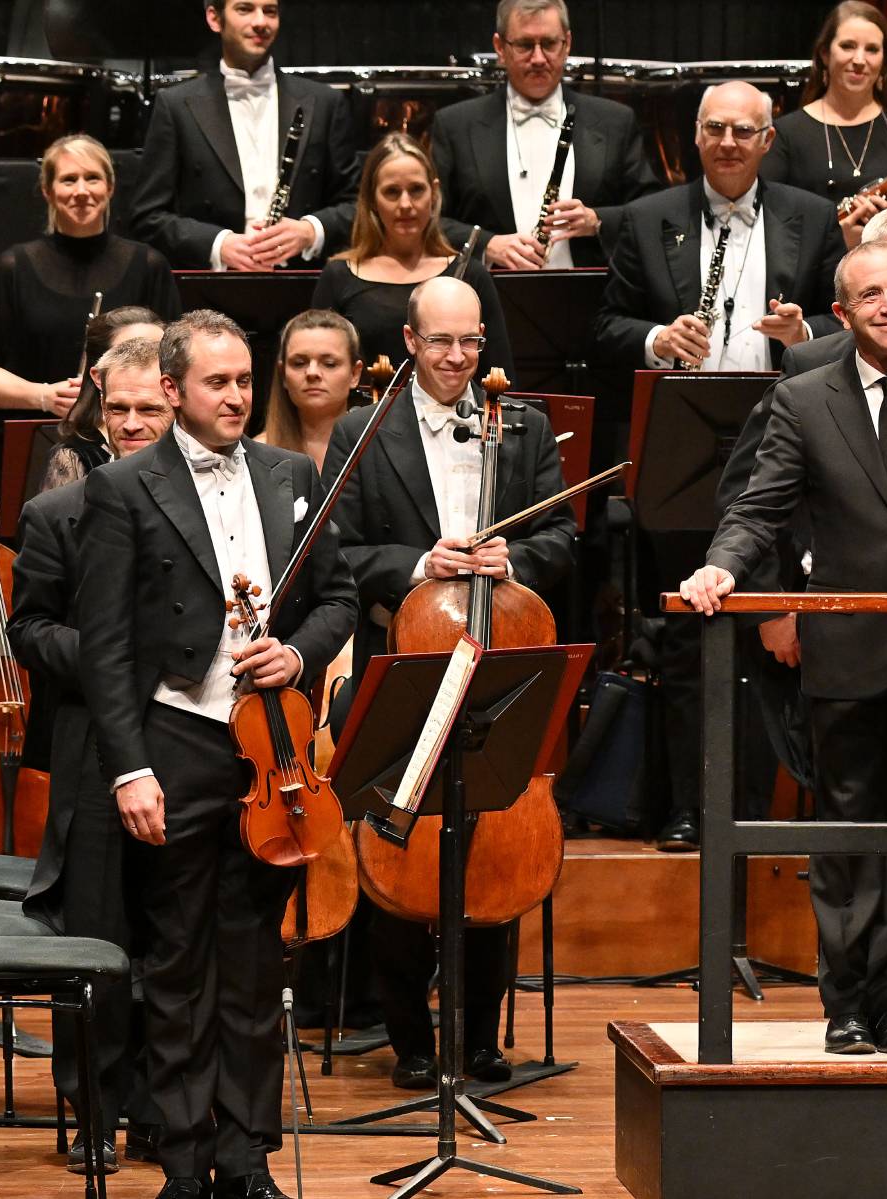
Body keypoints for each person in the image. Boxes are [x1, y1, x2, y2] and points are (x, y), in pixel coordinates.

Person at [681, 240, 887, 1055]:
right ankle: (844, 1002)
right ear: (844, 313)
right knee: (842, 832)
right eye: (872, 295)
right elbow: (758, 508)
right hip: (844, 653)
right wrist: (721, 566)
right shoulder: (803, 397)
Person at [77, 310, 357, 1199]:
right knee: (176, 965)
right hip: (176, 747)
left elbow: (339, 597)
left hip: (270, 754)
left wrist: (299, 653)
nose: (236, 396)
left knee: (252, 965)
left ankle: (246, 1159)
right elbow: (105, 647)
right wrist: (130, 767)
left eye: (243, 380)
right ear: (172, 390)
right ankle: (184, 1160)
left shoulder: (289, 473)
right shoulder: (125, 488)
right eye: (216, 383)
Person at [323, 275, 574, 1088]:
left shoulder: (524, 427)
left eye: (470, 341)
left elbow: (565, 537)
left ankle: (478, 1037)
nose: (458, 357)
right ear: (408, 341)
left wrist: (520, 559)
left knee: (495, 839)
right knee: (405, 842)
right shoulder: (362, 430)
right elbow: (336, 551)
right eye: (440, 341)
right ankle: (411, 1041)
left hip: (500, 660)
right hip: (409, 660)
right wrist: (416, 565)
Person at [10, 335, 175, 1173]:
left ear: (176, 402)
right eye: (120, 407)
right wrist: (119, 655)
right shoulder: (54, 515)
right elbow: (29, 631)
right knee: (100, 941)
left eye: (152, 405)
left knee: (174, 941)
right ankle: (93, 1116)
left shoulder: (209, 507)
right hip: (95, 751)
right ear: (97, 411)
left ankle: (162, 1112)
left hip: (190, 747)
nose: (136, 421)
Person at [0, 134, 179, 487]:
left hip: (133, 445)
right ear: (47, 190)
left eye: (92, 178)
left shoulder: (148, 265)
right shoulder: (13, 267)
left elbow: (175, 367)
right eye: (68, 179)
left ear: (110, 186)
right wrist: (43, 395)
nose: (81, 190)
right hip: (34, 447)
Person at [593, 80, 846, 373]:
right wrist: (659, 340)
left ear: (767, 140)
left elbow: (845, 320)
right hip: (680, 409)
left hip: (785, 409)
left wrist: (802, 333)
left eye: (743, 131)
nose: (727, 143)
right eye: (715, 128)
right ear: (698, 134)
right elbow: (606, 326)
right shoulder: (646, 218)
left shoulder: (815, 216)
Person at [432, 0, 659, 271]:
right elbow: (432, 219)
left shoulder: (615, 122)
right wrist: (486, 245)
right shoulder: (455, 125)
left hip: (592, 300)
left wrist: (597, 220)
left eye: (549, 44)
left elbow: (651, 210)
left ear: (567, 45)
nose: (539, 59)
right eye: (525, 45)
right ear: (499, 48)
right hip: (489, 300)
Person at [133, 0, 357, 271]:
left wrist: (310, 231)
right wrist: (218, 245)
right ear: (214, 18)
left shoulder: (325, 103)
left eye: (270, 11)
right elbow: (147, 217)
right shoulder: (176, 106)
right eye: (245, 9)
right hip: (209, 292)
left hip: (305, 286)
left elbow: (356, 204)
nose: (261, 21)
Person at [311, 132, 514, 381]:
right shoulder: (338, 275)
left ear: (434, 192)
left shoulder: (472, 275)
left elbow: (501, 379)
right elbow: (322, 373)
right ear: (371, 199)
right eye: (392, 192)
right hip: (365, 419)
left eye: (416, 190)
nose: (406, 204)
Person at [762, 2, 887, 250]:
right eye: (847, 46)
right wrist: (835, 242)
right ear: (824, 53)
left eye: (872, 49)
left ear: (884, 60)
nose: (859, 60)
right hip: (815, 285)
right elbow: (768, 234)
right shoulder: (785, 135)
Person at [40, 307, 169, 492]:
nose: (147, 363)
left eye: (157, 354)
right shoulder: (73, 457)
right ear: (99, 376)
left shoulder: (193, 443)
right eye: (129, 355)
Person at [257, 309, 362, 471]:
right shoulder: (257, 454)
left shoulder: (375, 448)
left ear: (355, 374)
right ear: (283, 374)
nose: (312, 373)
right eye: (299, 363)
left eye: (329, 363)